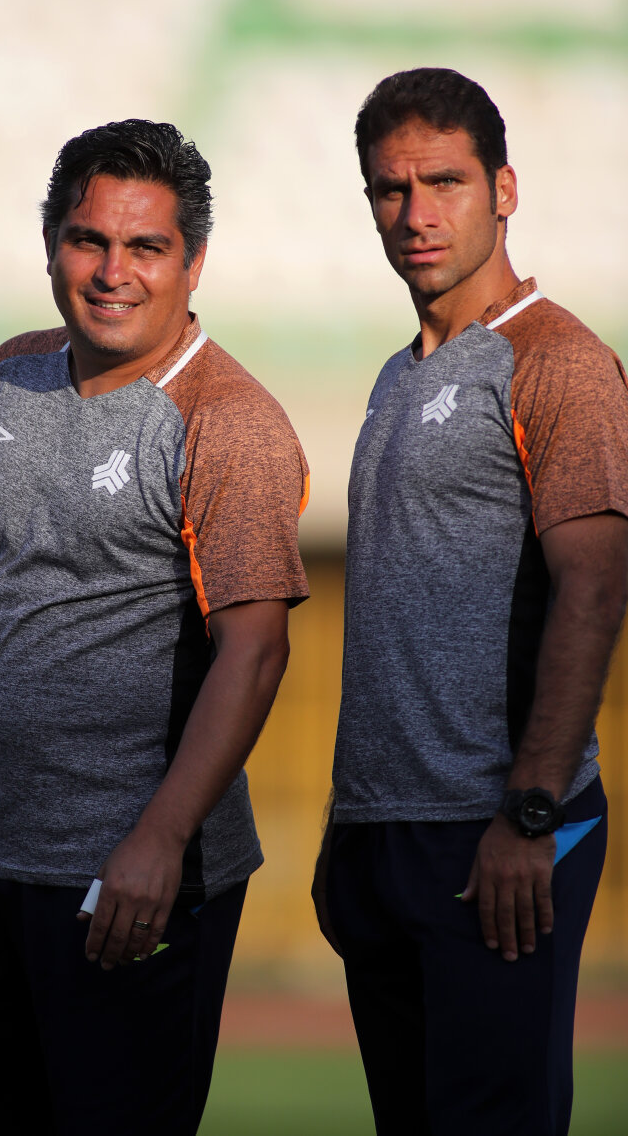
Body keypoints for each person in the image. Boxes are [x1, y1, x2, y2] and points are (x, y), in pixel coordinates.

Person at [0, 119, 310, 1136]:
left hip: (132, 883)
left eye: (145, 247)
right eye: (88, 239)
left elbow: (256, 651)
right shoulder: (10, 373)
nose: (111, 271)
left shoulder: (228, 420)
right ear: (50, 242)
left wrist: (160, 840)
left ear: (192, 262)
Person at [312, 68, 628, 1136]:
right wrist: (350, 826)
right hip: (383, 835)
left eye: (442, 181)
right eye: (389, 189)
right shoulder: (396, 375)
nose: (416, 212)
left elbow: (594, 586)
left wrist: (529, 812)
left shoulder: (558, 360)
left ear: (503, 189)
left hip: (498, 835)